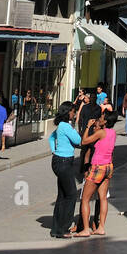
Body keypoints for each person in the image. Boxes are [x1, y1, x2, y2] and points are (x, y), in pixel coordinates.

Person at [76, 111, 117, 237]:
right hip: (108, 166)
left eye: (101, 118)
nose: (99, 119)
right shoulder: (113, 133)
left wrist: (88, 126)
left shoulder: (101, 132)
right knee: (103, 198)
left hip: (98, 167)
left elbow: (84, 141)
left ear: (105, 121)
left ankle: (86, 229)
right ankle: (101, 227)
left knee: (85, 199)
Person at [48, 101, 81, 238]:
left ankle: (56, 228)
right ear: (68, 112)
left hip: (59, 160)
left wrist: (54, 150)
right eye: (73, 111)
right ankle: (64, 228)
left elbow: (51, 138)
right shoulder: (66, 126)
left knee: (62, 195)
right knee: (71, 195)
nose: (74, 114)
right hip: (64, 161)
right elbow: (78, 139)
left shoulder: (61, 126)